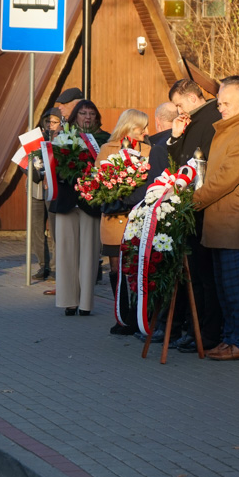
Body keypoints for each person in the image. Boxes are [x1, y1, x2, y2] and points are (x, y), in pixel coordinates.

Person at [193, 76, 239, 361]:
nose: (220, 108)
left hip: (234, 223)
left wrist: (191, 202)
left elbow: (223, 181)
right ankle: (229, 338)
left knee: (235, 288)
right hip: (221, 221)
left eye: (226, 103)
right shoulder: (229, 128)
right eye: (219, 102)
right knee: (223, 288)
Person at [164, 79, 224, 354]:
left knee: (204, 275)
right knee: (193, 275)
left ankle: (207, 332)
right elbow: (179, 164)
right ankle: (194, 329)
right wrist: (176, 136)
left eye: (178, 104)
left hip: (203, 205)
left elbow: (205, 163)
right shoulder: (190, 120)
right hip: (190, 205)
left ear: (190, 97)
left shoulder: (212, 118)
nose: (177, 110)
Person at [95, 109, 151, 333]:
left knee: (136, 268)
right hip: (113, 219)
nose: (147, 132)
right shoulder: (107, 150)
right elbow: (98, 182)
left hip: (136, 219)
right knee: (117, 268)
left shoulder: (148, 150)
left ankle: (137, 317)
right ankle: (122, 317)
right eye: (142, 128)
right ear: (129, 127)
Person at [51, 100, 109, 316]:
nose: (87, 117)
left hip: (90, 202)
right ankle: (68, 301)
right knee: (66, 253)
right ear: (75, 116)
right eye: (83, 113)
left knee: (89, 253)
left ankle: (85, 303)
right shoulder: (61, 137)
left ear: (96, 117)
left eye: (91, 114)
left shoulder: (104, 140)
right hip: (66, 201)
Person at [28, 108, 62, 281]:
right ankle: (43, 265)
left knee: (56, 231)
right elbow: (24, 161)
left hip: (54, 190)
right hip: (36, 190)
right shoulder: (34, 139)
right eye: (47, 121)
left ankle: (56, 267)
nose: (50, 125)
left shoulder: (63, 139)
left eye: (54, 122)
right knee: (36, 230)